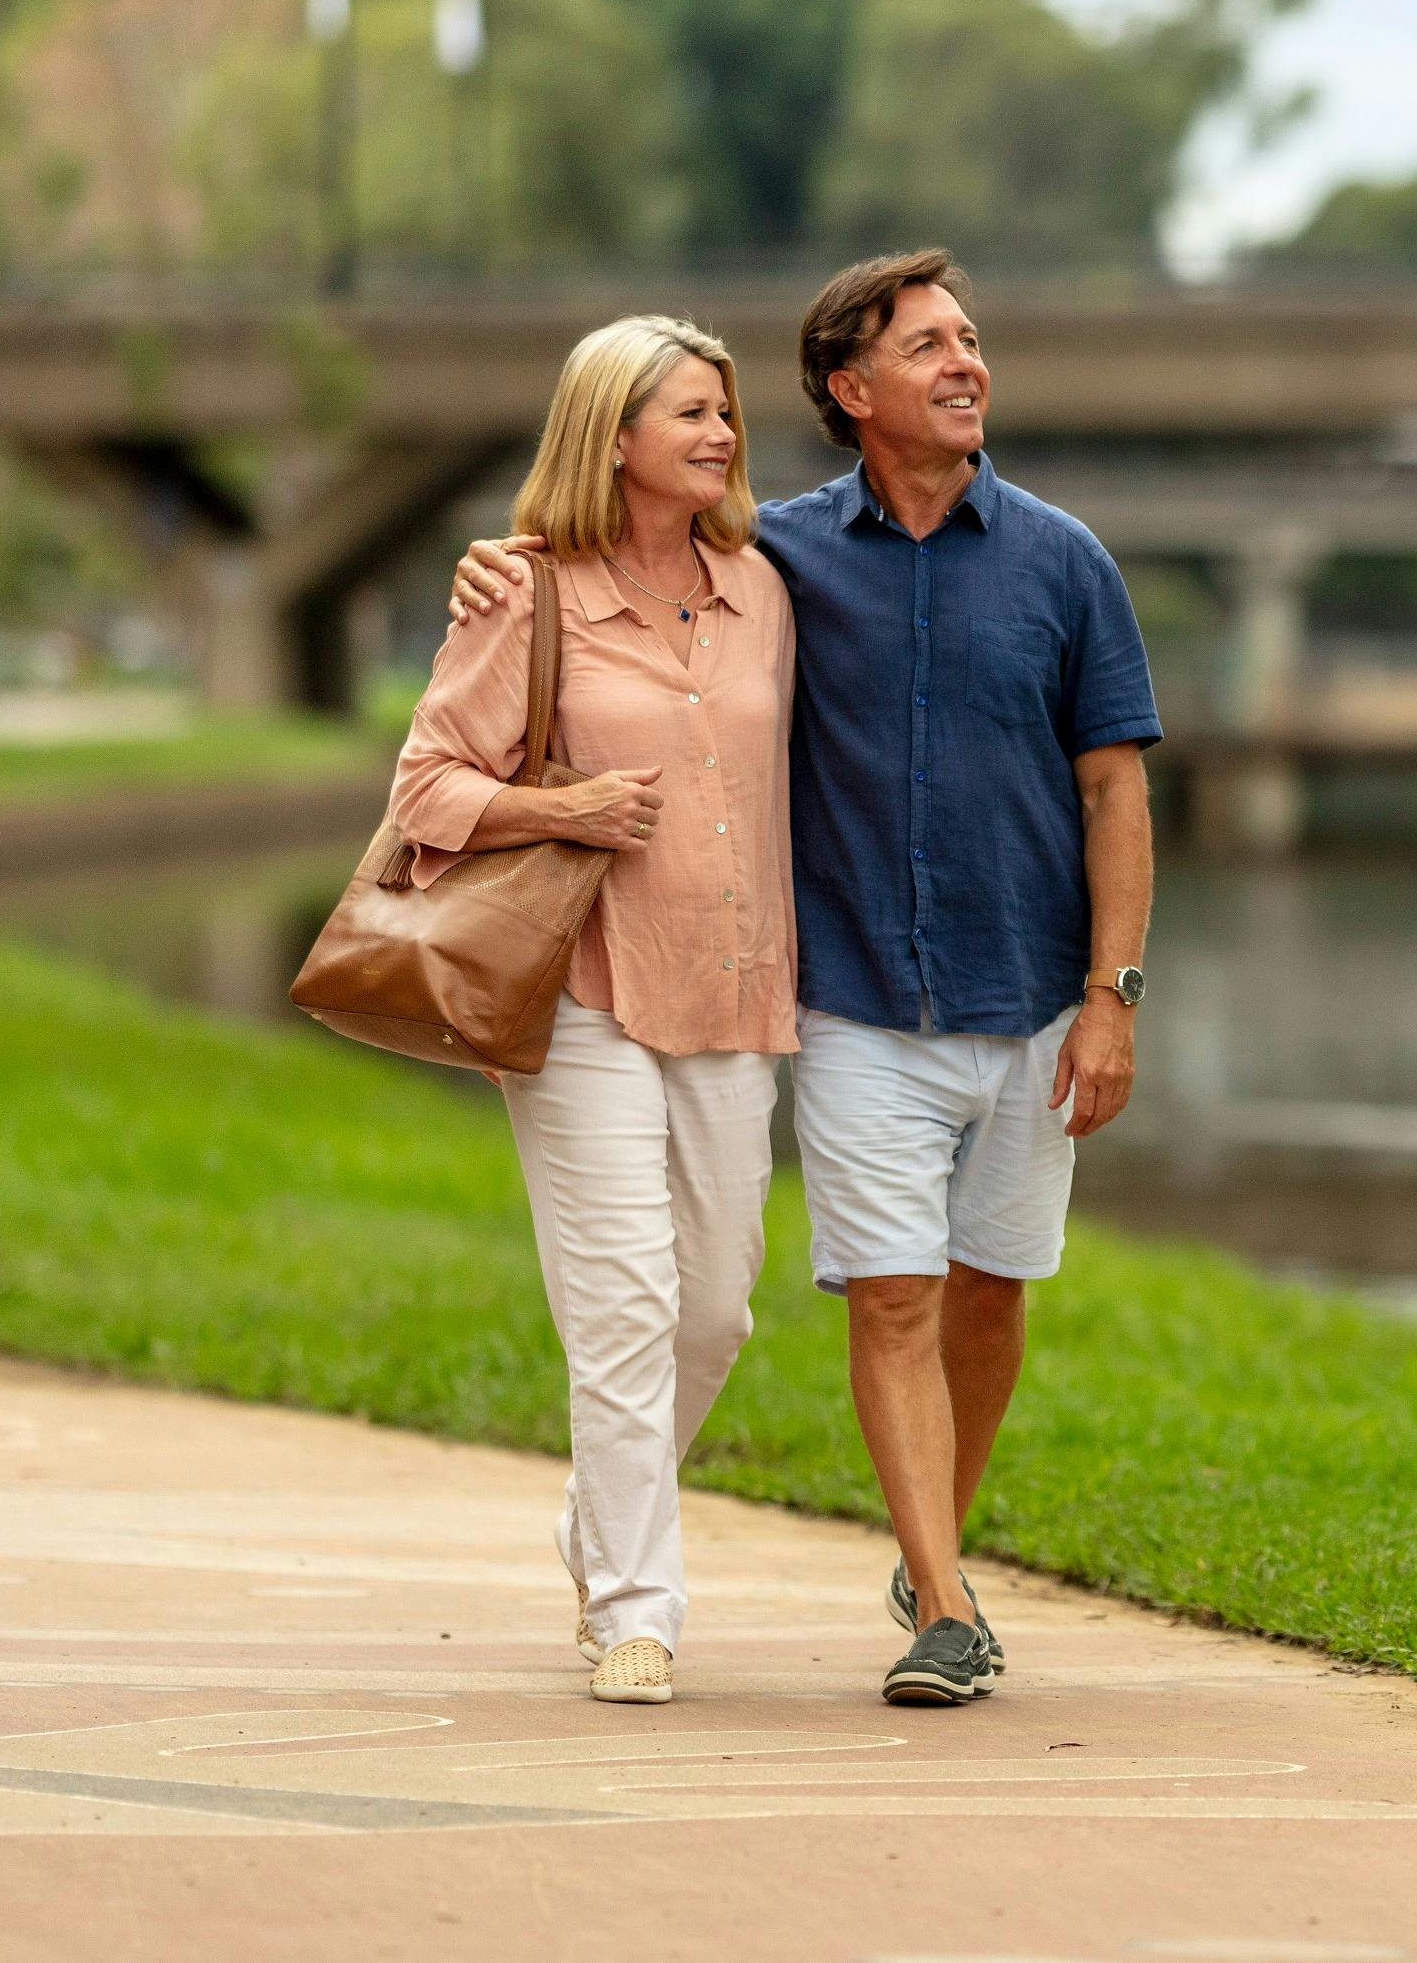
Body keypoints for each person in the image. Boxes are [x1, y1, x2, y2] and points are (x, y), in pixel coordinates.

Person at [453, 251, 1157, 1711]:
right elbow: (582, 596)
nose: (968, 363)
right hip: (811, 1003)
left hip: (956, 995)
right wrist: (496, 574)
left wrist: (1113, 993)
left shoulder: (1015, 565)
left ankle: (876, 1545)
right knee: (835, 1301)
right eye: (930, 346)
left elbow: (1114, 793)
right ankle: (861, 1605)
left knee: (907, 1299)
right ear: (853, 391)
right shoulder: (766, 560)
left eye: (974, 338)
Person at [390, 315, 796, 1710]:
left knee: (718, 1312)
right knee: (623, 1307)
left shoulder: (761, 588)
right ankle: (634, 1606)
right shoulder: (527, 596)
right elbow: (424, 787)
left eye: (726, 413)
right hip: (581, 992)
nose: (721, 435)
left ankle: (593, 1520)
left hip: (734, 982)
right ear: (610, 434)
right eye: (690, 413)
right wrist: (558, 807)